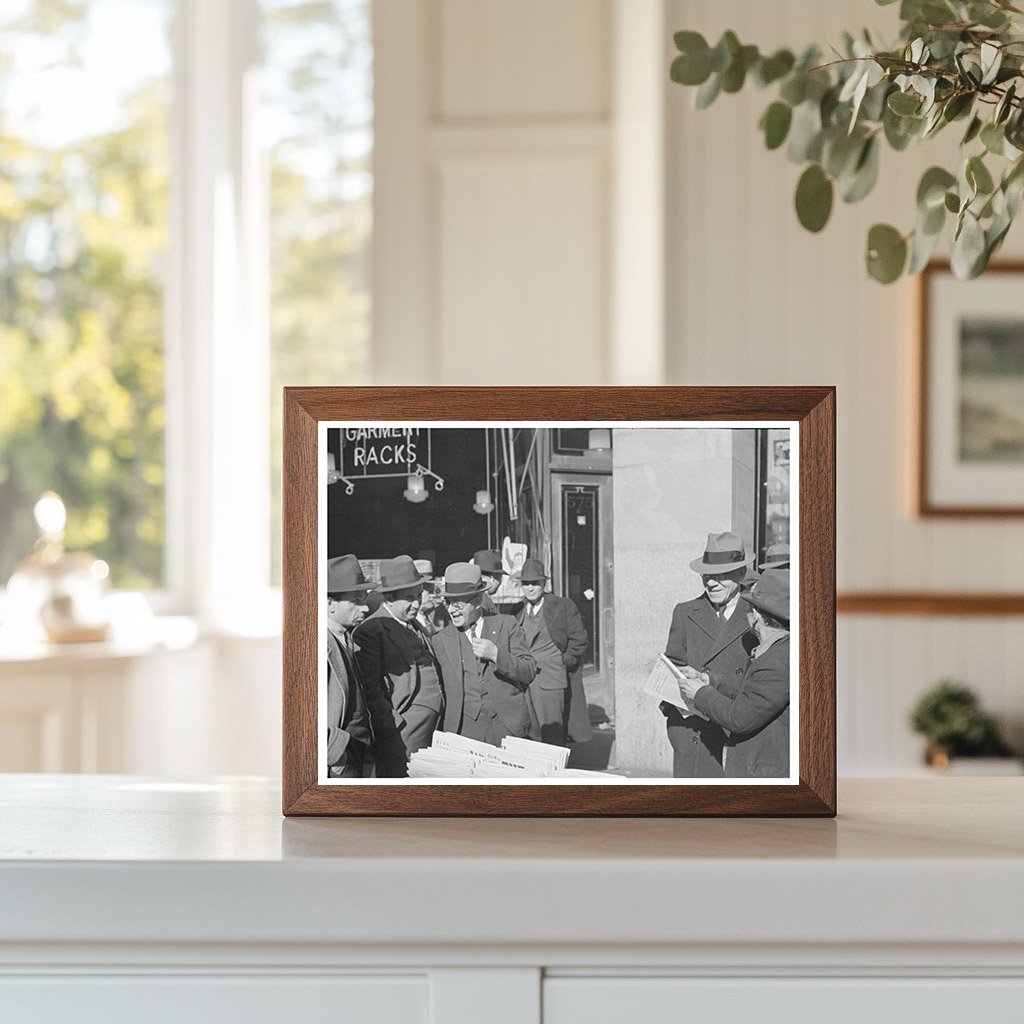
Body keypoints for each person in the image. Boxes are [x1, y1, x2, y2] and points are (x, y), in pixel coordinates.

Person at [678, 568, 791, 778]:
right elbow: (752, 695)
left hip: (763, 772)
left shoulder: (777, 660)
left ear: (757, 616)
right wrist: (709, 680)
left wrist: (700, 693)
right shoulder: (778, 650)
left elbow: (739, 717)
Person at [661, 531, 757, 778]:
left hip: (738, 730)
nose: (711, 583)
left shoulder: (758, 615)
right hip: (694, 732)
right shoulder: (685, 612)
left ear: (741, 574)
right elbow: (674, 664)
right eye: (707, 575)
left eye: (721, 575)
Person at [431, 562, 536, 744]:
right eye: (447, 603)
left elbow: (529, 671)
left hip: (507, 725)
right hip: (464, 729)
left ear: (478, 601)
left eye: (457, 604)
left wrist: (497, 655)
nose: (450, 610)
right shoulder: (440, 640)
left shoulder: (506, 624)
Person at [354, 555, 444, 759]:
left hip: (433, 728)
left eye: (418, 596)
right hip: (404, 734)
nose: (416, 604)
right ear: (390, 598)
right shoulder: (371, 630)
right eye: (409, 598)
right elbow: (370, 688)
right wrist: (393, 726)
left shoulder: (412, 622)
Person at [325, 554, 406, 778]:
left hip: (357, 754)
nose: (365, 608)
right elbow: (305, 716)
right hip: (339, 761)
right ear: (330, 604)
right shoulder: (319, 646)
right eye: (356, 600)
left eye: (364, 599)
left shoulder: (345, 638)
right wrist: (336, 757)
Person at [514, 557, 592, 746]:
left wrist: (564, 661)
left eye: (535, 583)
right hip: (525, 680)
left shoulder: (561, 605)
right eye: (526, 584)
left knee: (553, 733)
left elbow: (579, 639)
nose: (530, 588)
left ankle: (556, 773)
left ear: (544, 583)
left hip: (551, 678)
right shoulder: (518, 609)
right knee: (530, 733)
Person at [472, 549, 507, 614]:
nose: (500, 583)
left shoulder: (472, 600)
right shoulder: (483, 600)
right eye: (500, 578)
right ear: (493, 578)